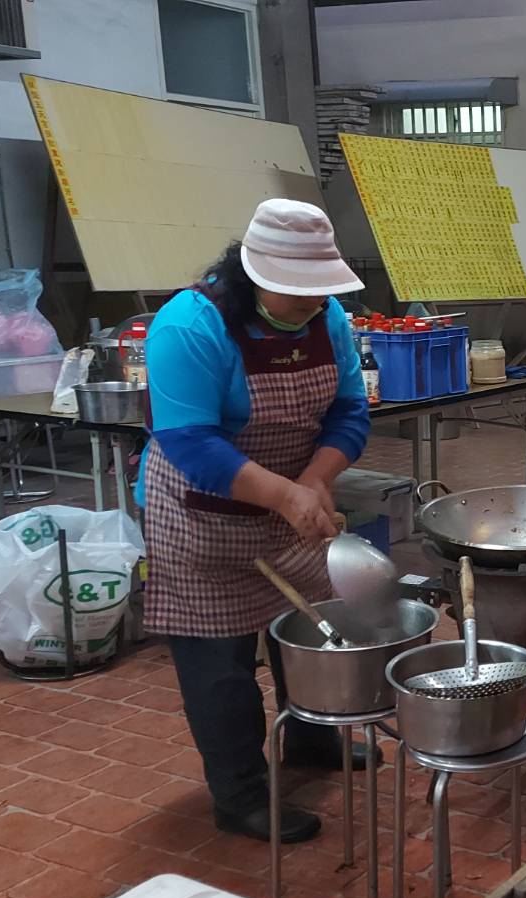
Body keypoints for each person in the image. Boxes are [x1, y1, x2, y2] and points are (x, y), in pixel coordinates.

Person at [140, 199, 371, 844]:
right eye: (297, 291)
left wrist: (315, 480)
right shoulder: (189, 325)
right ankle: (240, 793)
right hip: (202, 518)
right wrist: (285, 496)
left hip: (293, 508)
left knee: (309, 636)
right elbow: (190, 442)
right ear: (253, 273)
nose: (312, 304)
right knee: (222, 669)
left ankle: (313, 738)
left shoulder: (327, 319)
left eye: (320, 291)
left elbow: (349, 412)